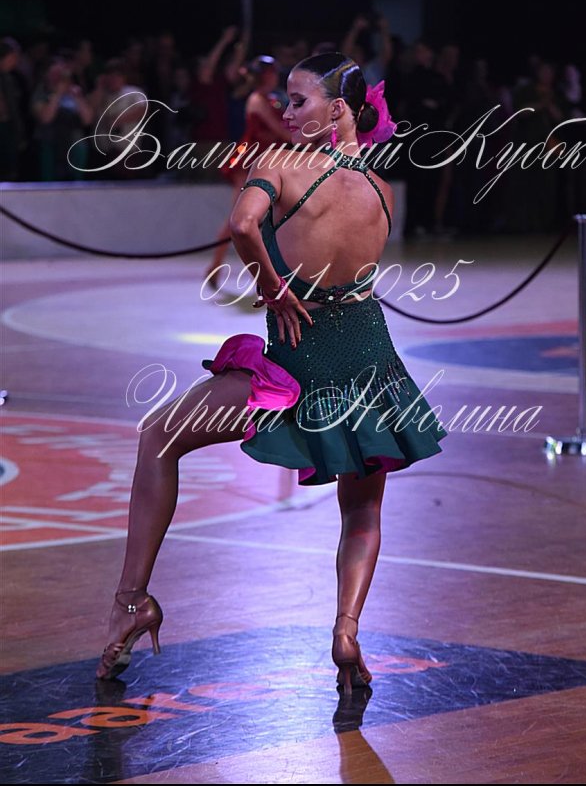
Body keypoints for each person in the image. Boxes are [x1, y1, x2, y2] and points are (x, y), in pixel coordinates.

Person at [96, 52, 447, 694]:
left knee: (158, 436)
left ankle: (131, 602)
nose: (286, 112)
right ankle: (346, 629)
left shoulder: (279, 165)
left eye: (298, 100)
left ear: (337, 110)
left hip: (297, 359)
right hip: (368, 359)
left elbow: (241, 224)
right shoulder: (381, 187)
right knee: (362, 508)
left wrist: (271, 285)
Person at [204, 55, 291, 287]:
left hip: (266, 161)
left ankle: (263, 271)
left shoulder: (272, 99)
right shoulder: (257, 100)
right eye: (272, 73)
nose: (276, 76)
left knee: (264, 218)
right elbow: (280, 131)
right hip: (249, 161)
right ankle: (215, 265)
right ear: (265, 76)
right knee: (239, 217)